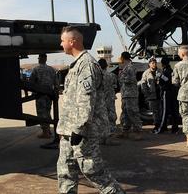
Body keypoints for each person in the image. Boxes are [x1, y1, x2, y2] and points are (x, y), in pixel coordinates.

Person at [56, 26, 124, 194]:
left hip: (82, 131)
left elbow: (86, 100)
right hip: (68, 131)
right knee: (65, 172)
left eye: (63, 40)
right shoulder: (76, 64)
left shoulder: (86, 65)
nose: (61, 43)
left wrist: (79, 128)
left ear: (72, 41)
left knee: (93, 171)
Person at [29, 53, 58, 139]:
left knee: (41, 113)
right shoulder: (51, 69)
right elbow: (56, 83)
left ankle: (45, 132)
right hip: (49, 95)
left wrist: (32, 93)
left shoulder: (36, 69)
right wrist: (55, 92)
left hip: (40, 95)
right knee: (47, 111)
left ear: (39, 59)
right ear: (46, 59)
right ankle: (48, 130)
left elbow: (31, 83)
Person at [117, 52, 143, 140]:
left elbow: (131, 79)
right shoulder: (125, 68)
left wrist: (121, 77)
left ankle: (138, 131)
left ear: (123, 58)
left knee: (133, 112)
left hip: (131, 94)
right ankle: (125, 131)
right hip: (125, 94)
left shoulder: (130, 67)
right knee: (125, 114)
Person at [98, 58, 118, 143]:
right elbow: (116, 86)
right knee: (111, 117)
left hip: (100, 100)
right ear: (106, 66)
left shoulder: (97, 76)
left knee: (100, 118)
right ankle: (110, 137)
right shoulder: (111, 76)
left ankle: (101, 137)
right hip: (110, 99)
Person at [157, 57, 180, 133]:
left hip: (166, 92)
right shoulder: (170, 70)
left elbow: (167, 80)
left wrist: (160, 76)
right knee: (173, 110)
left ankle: (161, 128)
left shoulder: (166, 71)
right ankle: (174, 128)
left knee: (164, 111)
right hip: (172, 92)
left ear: (162, 64)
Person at [139, 58, 161, 133]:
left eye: (155, 63)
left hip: (160, 95)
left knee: (161, 111)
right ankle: (156, 125)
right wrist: (146, 94)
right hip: (151, 95)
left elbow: (165, 80)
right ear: (149, 64)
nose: (154, 64)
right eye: (152, 63)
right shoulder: (146, 73)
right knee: (154, 111)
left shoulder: (160, 71)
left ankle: (161, 125)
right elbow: (143, 84)